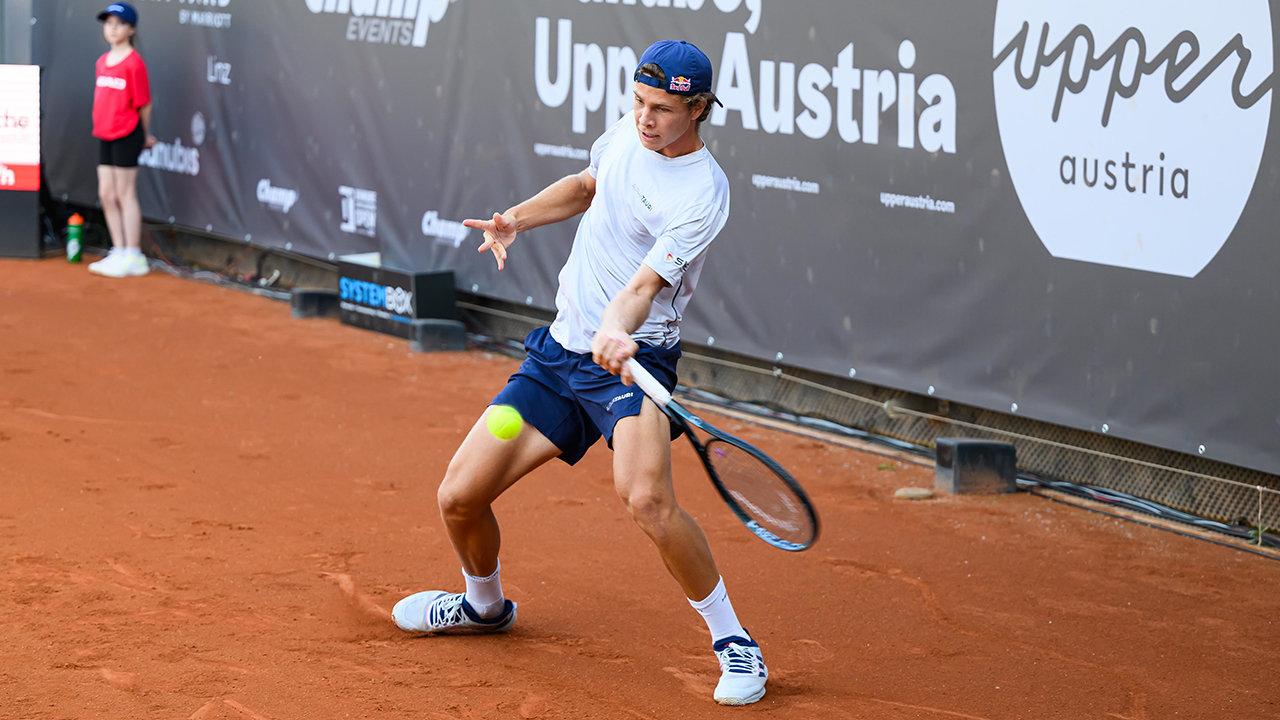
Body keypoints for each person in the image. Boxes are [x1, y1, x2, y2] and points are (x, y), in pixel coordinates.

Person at [391, 41, 768, 706]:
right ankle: (483, 607)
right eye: (639, 103)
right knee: (458, 496)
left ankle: (735, 642)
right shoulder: (629, 131)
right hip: (561, 353)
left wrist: (617, 331)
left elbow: (647, 284)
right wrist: (516, 220)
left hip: (635, 359)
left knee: (647, 499)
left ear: (699, 108)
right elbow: (587, 186)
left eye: (663, 109)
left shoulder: (704, 193)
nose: (645, 119)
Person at [88, 2, 156, 278]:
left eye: (118, 23)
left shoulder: (134, 64)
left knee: (124, 193)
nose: (112, 28)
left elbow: (145, 104)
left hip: (128, 133)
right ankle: (119, 250)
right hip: (104, 133)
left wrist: (142, 136)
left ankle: (134, 254)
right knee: (106, 193)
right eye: (108, 23)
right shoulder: (102, 62)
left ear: (131, 29)